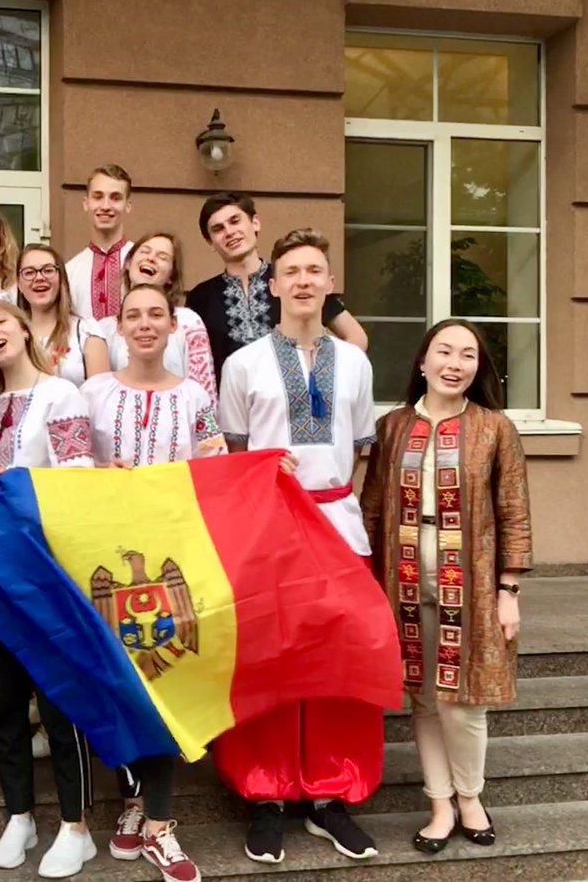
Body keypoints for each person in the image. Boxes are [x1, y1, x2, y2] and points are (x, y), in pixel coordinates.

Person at [213, 229, 381, 865]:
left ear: (330, 283)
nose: (304, 281)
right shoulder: (243, 363)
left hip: (338, 524)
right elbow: (234, 453)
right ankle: (267, 794)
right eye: (292, 271)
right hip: (270, 529)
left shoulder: (356, 362)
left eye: (315, 270)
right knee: (269, 661)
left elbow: (359, 449)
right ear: (273, 284)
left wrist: (332, 499)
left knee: (337, 660)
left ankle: (330, 794)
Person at [361, 319, 531, 854]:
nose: (454, 364)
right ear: (423, 360)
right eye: (444, 351)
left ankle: (470, 797)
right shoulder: (391, 427)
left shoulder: (495, 427)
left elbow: (514, 512)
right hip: (404, 578)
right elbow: (371, 509)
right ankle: (439, 804)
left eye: (467, 355)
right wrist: (365, 585)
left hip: (472, 579)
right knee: (424, 696)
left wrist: (509, 590)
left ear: (478, 368)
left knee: (465, 700)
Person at [81, 283, 223, 882]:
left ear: (173, 326)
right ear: (119, 327)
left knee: (167, 676)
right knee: (120, 681)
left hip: (173, 558)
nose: (144, 324)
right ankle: (134, 802)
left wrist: (270, 470)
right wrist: (98, 470)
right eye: (133, 315)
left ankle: (161, 823)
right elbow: (70, 465)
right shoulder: (91, 392)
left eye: (155, 314)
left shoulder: (195, 396)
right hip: (105, 558)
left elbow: (217, 466)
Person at [0, 298, 97, 878]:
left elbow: (76, 477)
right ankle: (19, 813)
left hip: (46, 573)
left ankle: (76, 825)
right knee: (5, 706)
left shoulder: (61, 393)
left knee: (61, 703)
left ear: (22, 328)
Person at [186, 192, 367, 388]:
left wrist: (322, 381)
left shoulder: (292, 280)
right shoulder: (201, 297)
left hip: (295, 398)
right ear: (210, 243)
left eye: (235, 221)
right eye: (218, 229)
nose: (229, 232)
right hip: (232, 401)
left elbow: (356, 336)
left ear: (255, 223)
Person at [98, 232, 216, 401]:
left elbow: (205, 394)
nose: (151, 258)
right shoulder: (104, 329)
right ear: (129, 263)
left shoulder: (188, 321)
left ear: (170, 277)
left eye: (162, 257)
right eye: (145, 251)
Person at [16, 243, 109, 387]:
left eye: (48, 270)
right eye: (29, 273)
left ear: (61, 278)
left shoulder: (86, 332)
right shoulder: (12, 335)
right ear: (19, 284)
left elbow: (101, 395)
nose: (39, 277)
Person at [64, 165, 135, 321]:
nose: (105, 206)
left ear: (128, 205)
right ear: (86, 203)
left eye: (115, 198)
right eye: (98, 197)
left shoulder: (141, 262)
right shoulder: (69, 272)